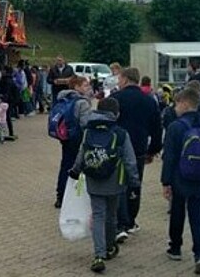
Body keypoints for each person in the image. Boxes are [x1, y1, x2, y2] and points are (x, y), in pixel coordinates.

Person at [68, 97, 139, 273]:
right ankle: (109, 246)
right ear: (117, 114)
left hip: (94, 179)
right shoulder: (121, 133)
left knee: (98, 215)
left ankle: (98, 255)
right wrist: (134, 182)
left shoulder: (88, 131)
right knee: (111, 215)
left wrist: (75, 171)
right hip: (115, 181)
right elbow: (130, 161)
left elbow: (81, 153)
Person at [161, 87, 200, 275]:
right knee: (198, 216)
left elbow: (169, 157)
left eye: (176, 103)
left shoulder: (176, 127)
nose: (175, 107)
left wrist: (165, 181)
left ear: (184, 103)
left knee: (177, 212)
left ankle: (175, 247)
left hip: (179, 177)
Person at [112, 68, 163, 240]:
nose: (118, 82)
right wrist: (153, 149)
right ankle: (131, 220)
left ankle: (120, 221)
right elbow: (157, 127)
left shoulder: (115, 99)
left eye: (119, 79)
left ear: (125, 79)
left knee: (118, 183)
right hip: (139, 148)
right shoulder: (149, 101)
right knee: (134, 183)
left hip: (117, 147)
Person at [53, 75, 93, 208]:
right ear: (77, 87)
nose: (88, 88)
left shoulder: (63, 98)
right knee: (79, 167)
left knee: (65, 164)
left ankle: (61, 194)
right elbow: (85, 123)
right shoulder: (82, 102)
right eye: (85, 85)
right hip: (78, 138)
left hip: (65, 137)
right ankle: (77, 194)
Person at [0, 66, 20, 135]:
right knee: (7, 116)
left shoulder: (5, 80)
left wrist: (2, 98)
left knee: (5, 116)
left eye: (3, 70)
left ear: (5, 71)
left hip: (7, 100)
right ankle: (10, 132)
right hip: (11, 100)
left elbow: (6, 91)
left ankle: (5, 132)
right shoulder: (10, 79)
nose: (1, 71)